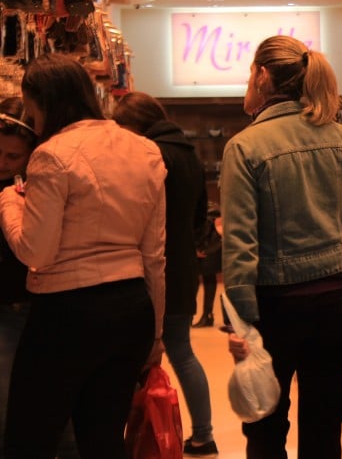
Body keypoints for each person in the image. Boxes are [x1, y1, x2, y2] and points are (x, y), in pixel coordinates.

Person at [0, 53, 166, 459]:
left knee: (29, 438)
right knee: (103, 440)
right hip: (131, 308)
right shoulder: (143, 150)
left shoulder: (52, 154)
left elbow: (34, 251)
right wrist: (156, 332)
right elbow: (154, 255)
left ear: (41, 102)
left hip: (67, 310)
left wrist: (9, 203)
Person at [221, 35, 342, 459]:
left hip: (275, 307)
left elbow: (238, 244)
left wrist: (240, 320)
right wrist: (333, 262)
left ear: (262, 75)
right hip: (337, 302)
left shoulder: (245, 147)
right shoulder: (339, 137)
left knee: (266, 425)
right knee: (324, 426)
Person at [111, 90, 218, 456]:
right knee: (182, 349)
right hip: (183, 265)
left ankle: (136, 437)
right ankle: (203, 432)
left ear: (137, 125)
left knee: (139, 355)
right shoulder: (188, 154)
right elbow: (199, 214)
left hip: (152, 268)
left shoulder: (149, 155)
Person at [0, 97, 80, 458]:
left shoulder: (46, 183)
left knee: (58, 415)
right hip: (6, 311)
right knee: (5, 414)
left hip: (47, 307)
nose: (1, 163)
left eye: (12, 157)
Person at [193, 200, 222, 328]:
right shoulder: (212, 208)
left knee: (202, 277)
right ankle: (207, 315)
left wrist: (197, 248)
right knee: (208, 276)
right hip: (212, 245)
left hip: (205, 245)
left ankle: (204, 316)